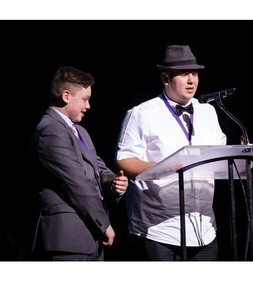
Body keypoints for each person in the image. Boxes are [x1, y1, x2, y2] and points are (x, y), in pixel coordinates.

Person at [116, 45, 227, 261]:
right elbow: (125, 160)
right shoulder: (142, 113)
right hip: (160, 229)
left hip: (204, 229)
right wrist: (166, 167)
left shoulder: (208, 111)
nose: (191, 80)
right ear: (166, 78)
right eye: (184, 74)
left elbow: (220, 156)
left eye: (194, 74)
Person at [29, 66, 129, 261]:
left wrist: (113, 182)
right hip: (65, 240)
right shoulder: (50, 131)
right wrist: (104, 224)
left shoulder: (80, 132)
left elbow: (98, 168)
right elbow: (78, 183)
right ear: (66, 96)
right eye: (84, 99)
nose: (88, 105)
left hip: (89, 236)